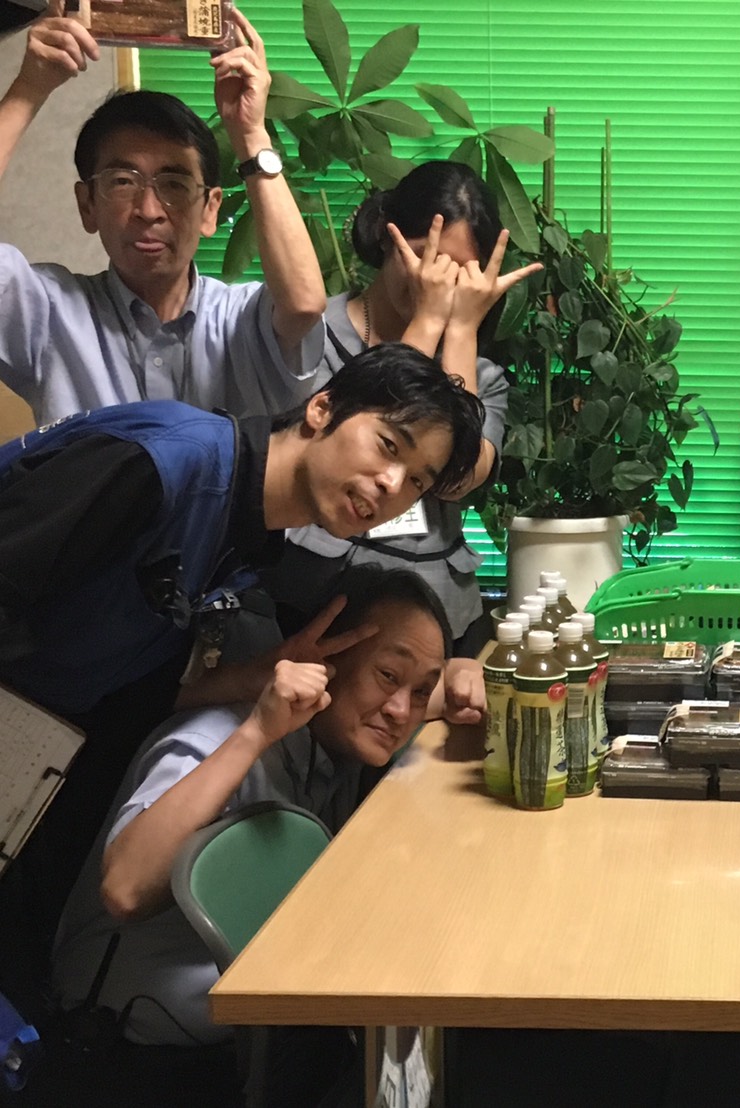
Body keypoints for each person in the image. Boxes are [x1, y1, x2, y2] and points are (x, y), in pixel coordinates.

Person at [0, 343, 483, 1020]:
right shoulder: (164, 466)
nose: (390, 485)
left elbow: (122, 688)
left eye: (417, 481)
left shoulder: (248, 538)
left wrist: (245, 680)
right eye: (386, 445)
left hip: (47, 763)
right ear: (321, 409)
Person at [42, 567, 452, 1107]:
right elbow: (124, 889)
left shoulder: (341, 735)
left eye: (420, 691)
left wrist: (463, 675)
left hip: (258, 1037)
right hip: (136, 1060)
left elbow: (419, 695)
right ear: (324, 663)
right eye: (387, 675)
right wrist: (257, 731)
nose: (401, 710)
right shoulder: (215, 741)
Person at [267, 161, 541, 725]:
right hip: (314, 610)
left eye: (458, 272)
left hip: (435, 623)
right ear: (385, 234)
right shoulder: (309, 339)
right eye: (423, 255)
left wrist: (458, 329)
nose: (433, 281)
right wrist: (430, 320)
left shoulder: (481, 377)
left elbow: (455, 478)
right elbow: (382, 413)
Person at [0, 2, 326, 422]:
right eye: (122, 182)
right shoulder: (49, 312)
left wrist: (250, 134)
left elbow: (304, 304)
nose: (149, 211)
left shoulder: (240, 320)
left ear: (210, 210)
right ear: (88, 205)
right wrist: (29, 88)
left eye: (174, 185)